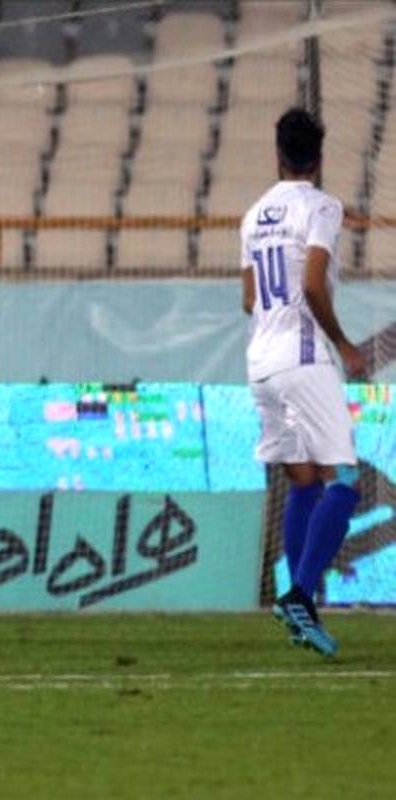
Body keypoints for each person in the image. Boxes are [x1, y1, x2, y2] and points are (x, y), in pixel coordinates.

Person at [240, 108, 367, 658]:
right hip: (304, 355)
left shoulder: (253, 215)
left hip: (261, 361)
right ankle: (299, 596)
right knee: (345, 480)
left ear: (278, 155)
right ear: (318, 158)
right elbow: (313, 284)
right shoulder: (321, 207)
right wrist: (343, 343)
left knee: (304, 481)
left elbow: (249, 297)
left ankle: (299, 611)